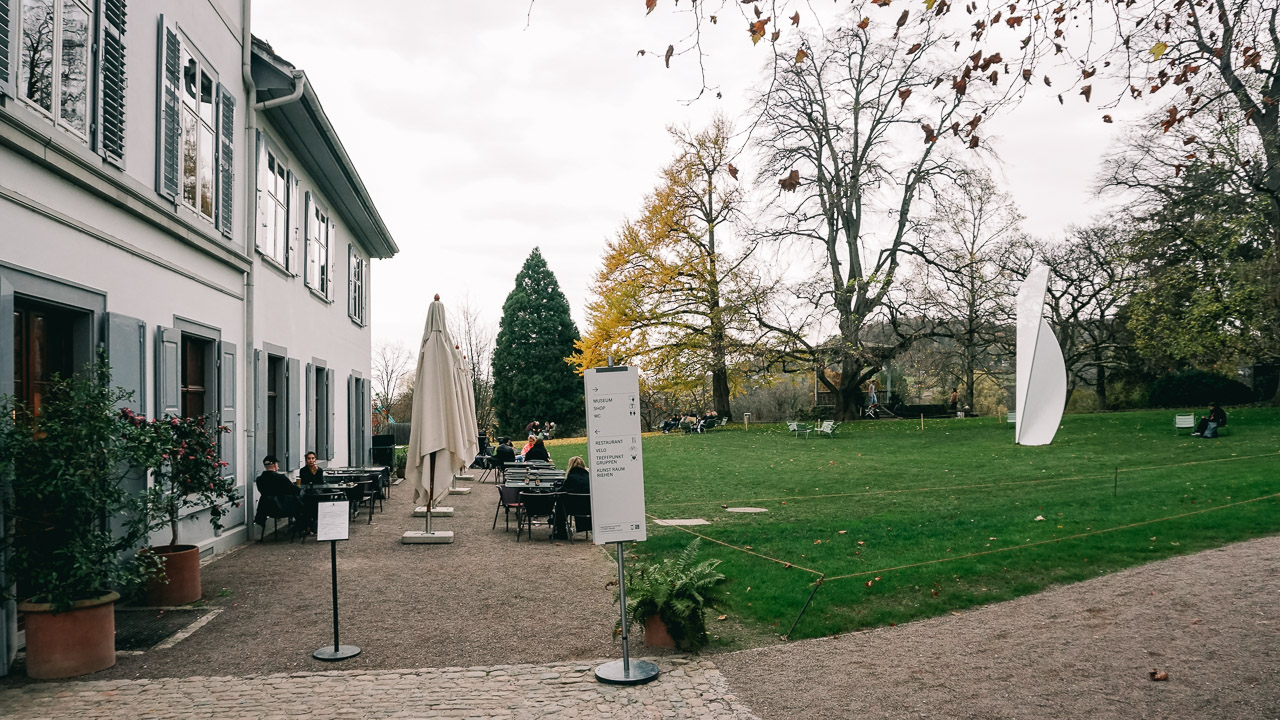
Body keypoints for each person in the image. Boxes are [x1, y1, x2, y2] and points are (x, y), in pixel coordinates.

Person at [254, 455, 302, 533]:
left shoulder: (259, 479)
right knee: (300, 504)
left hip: (267, 509)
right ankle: (301, 527)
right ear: (275, 465)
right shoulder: (280, 478)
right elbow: (295, 490)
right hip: (282, 508)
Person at [554, 456, 591, 539]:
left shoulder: (571, 478)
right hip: (588, 508)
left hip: (572, 508)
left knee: (560, 504)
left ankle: (561, 530)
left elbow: (561, 492)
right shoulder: (589, 478)